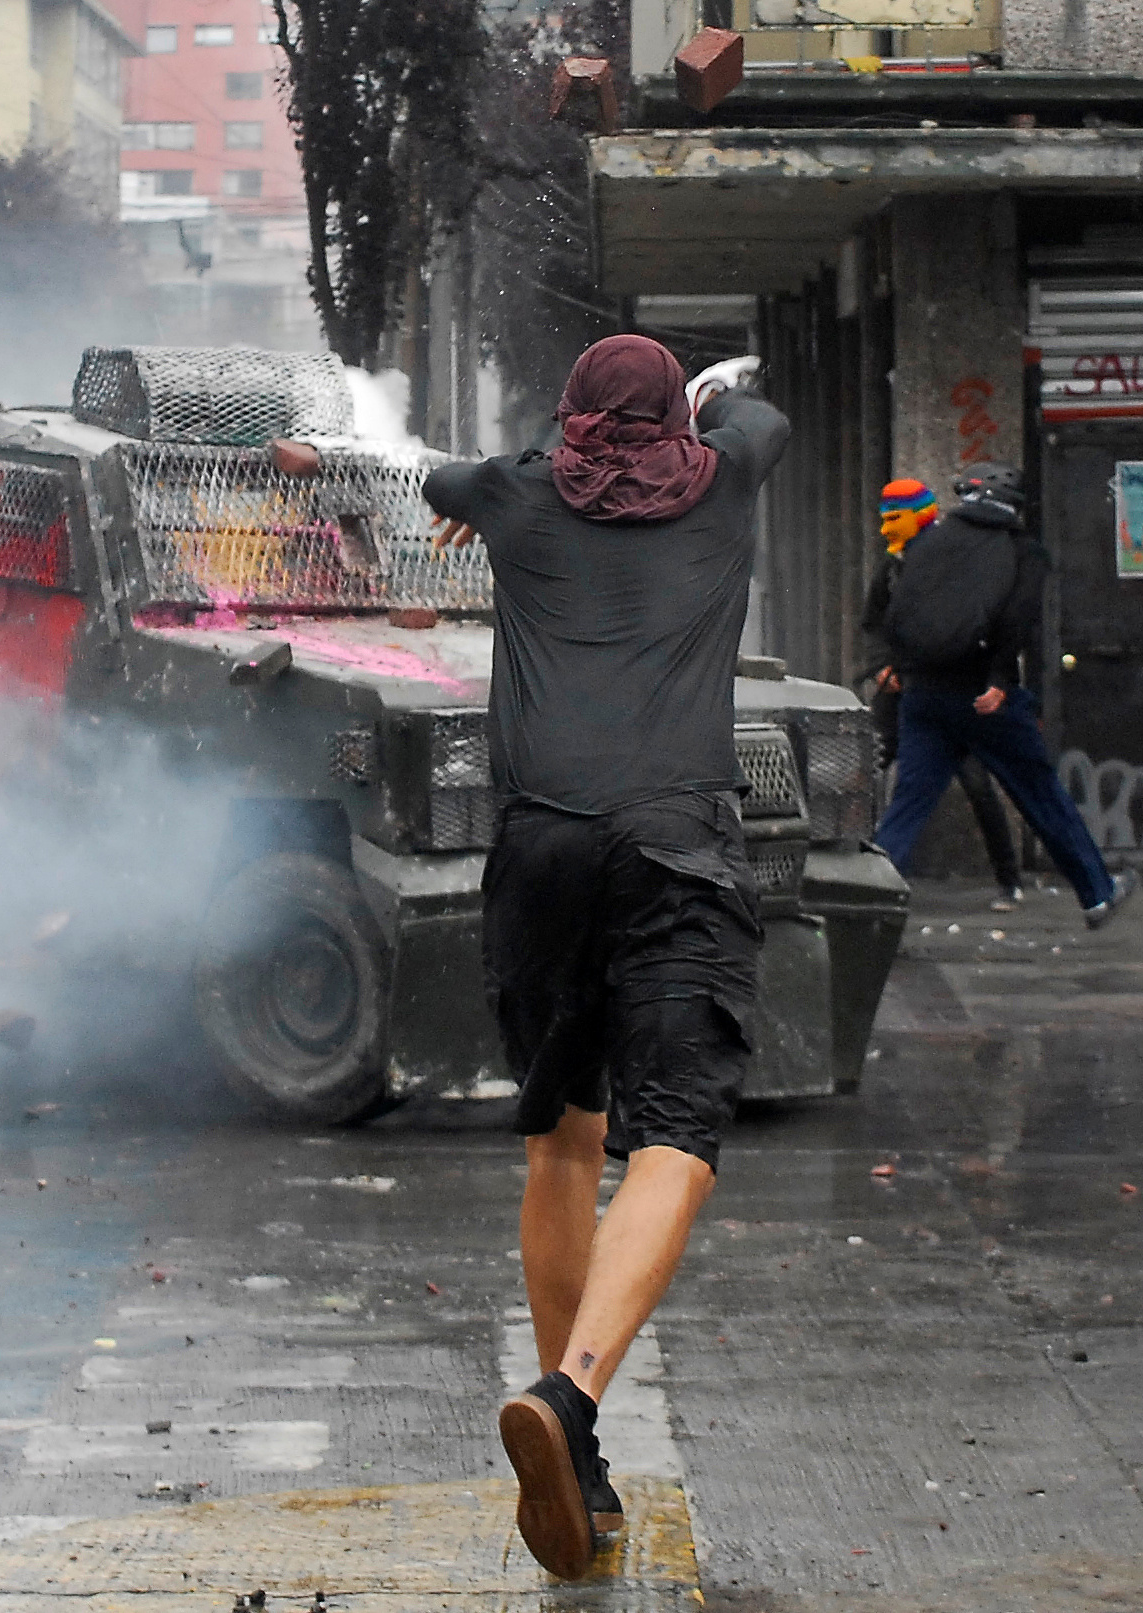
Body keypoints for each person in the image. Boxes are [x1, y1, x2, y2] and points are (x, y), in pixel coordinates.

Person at [424, 335, 787, 1580]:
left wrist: (519, 474)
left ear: (572, 418)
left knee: (562, 1134)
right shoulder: (730, 477)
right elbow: (763, 417)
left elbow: (443, 482)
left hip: (540, 855)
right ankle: (572, 1395)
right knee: (675, 1137)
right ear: (679, 420)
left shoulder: (515, 495)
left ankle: (575, 1458)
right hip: (675, 845)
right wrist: (712, 401)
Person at [866, 463, 1134, 928]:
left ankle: (870, 907)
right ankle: (1097, 894)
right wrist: (998, 681)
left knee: (908, 804)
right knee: (1040, 794)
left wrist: (902, 667)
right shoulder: (1022, 550)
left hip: (924, 696)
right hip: (983, 698)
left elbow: (898, 609)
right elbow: (1017, 621)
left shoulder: (929, 544)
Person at [861, 479, 1024, 911]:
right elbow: (874, 624)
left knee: (976, 784)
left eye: (895, 519)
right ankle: (870, 876)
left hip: (946, 691)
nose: (887, 529)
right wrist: (881, 668)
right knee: (866, 769)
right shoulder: (893, 567)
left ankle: (1009, 879)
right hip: (902, 690)